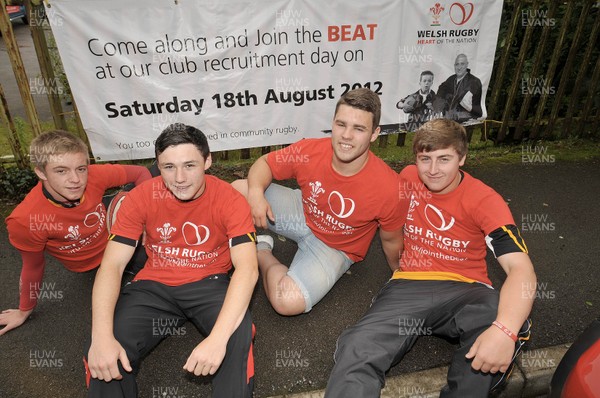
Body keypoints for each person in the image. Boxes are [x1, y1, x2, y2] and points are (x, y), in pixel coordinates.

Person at [325, 119, 536, 397]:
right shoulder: (409, 178)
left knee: (500, 320)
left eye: (444, 159)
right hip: (409, 284)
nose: (433, 170)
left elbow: (522, 270)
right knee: (357, 345)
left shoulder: (485, 200)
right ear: (415, 159)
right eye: (425, 159)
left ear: (462, 158)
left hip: (467, 290)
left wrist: (505, 331)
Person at [86, 123, 258, 397]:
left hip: (209, 283)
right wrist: (101, 337)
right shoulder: (142, 196)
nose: (179, 177)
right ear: (158, 165)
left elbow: (248, 270)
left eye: (189, 165)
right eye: (168, 167)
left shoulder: (230, 199)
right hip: (154, 284)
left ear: (208, 161)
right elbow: (112, 265)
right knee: (106, 351)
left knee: (237, 337)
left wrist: (217, 340)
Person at [232, 88, 405, 316]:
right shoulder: (310, 150)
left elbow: (392, 240)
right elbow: (265, 163)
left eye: (359, 128)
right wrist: (255, 193)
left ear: (374, 133)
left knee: (287, 302)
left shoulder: (390, 187)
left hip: (336, 247)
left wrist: (400, 274)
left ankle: (262, 251)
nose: (346, 135)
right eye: (341, 124)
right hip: (302, 212)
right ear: (332, 123)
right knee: (238, 190)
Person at [1, 130, 151, 336]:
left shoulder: (93, 176)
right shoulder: (25, 220)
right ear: (41, 173)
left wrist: (145, 217)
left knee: (160, 173)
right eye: (61, 171)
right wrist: (24, 310)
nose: (76, 179)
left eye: (81, 168)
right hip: (94, 262)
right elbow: (33, 266)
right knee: (134, 313)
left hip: (113, 230)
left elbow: (141, 173)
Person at [436, 54, 483, 122]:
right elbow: (441, 91)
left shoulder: (474, 82)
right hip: (448, 118)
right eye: (457, 64)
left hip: (465, 120)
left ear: (467, 65)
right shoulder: (451, 79)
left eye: (462, 64)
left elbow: (471, 105)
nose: (459, 67)